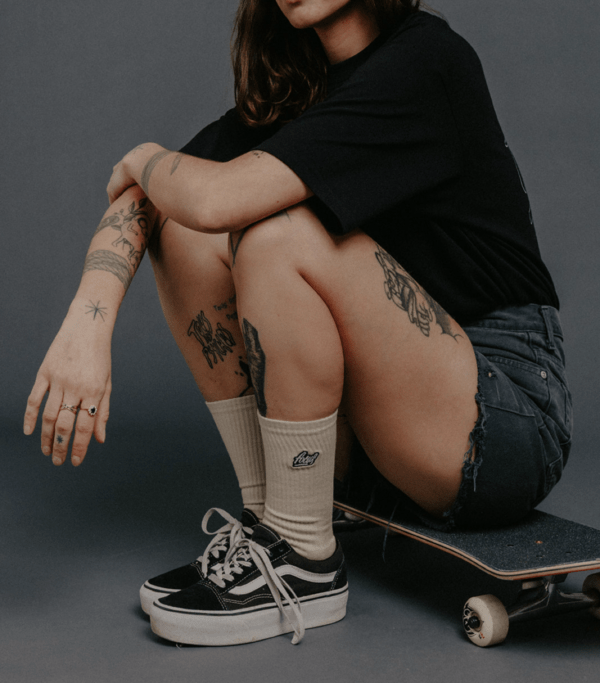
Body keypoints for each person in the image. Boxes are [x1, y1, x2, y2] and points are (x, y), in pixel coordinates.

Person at [23, 0, 572, 647]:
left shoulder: (428, 60)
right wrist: (86, 324)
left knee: (274, 231)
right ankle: (272, 524)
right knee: (184, 225)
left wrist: (143, 153)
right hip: (387, 421)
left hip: (504, 418)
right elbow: (162, 201)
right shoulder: (302, 88)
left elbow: (215, 194)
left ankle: (305, 558)